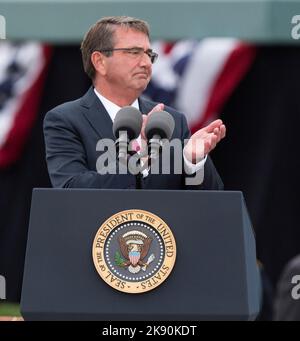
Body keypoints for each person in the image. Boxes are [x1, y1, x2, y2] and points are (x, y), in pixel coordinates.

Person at [44, 16, 226, 190]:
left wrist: (192, 161)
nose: (146, 63)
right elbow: (71, 190)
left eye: (149, 54)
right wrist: (138, 160)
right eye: (134, 52)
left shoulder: (170, 121)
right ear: (99, 62)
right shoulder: (66, 120)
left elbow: (212, 201)